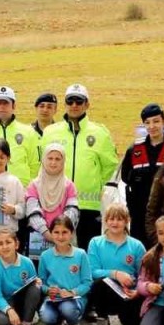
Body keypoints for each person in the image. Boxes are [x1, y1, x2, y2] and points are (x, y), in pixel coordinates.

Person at [42, 83, 117, 244]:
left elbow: (110, 165)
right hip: (57, 202)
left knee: (87, 251)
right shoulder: (50, 132)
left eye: (79, 101)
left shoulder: (100, 132)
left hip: (88, 204)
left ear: (87, 104)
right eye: (70, 101)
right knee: (59, 250)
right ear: (65, 104)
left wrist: (94, 182)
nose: (74, 105)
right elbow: (43, 163)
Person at [87, 203, 145, 325]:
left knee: (132, 322)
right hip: (106, 292)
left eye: (119, 219)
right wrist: (116, 274)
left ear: (127, 221)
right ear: (105, 221)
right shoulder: (95, 243)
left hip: (128, 293)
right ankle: (102, 320)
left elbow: (144, 274)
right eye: (111, 219)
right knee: (98, 284)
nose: (115, 222)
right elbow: (92, 271)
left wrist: (137, 291)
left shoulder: (137, 246)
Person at [121, 103, 164, 246]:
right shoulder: (134, 149)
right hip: (139, 216)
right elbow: (126, 178)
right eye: (147, 123)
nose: (152, 126)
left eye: (156, 121)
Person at [37, 216, 91, 325]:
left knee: (67, 308)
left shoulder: (80, 254)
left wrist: (72, 292)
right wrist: (48, 290)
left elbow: (87, 283)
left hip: (74, 300)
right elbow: (41, 282)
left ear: (71, 233)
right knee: (46, 315)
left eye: (65, 232)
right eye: (56, 232)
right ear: (51, 233)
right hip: (53, 299)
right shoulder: (45, 256)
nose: (60, 237)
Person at [0, 86, 41, 187]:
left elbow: (35, 165)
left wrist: (29, 190)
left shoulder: (29, 132)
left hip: (20, 192)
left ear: (13, 106)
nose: (2, 106)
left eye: (6, 103)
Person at [26, 143, 80, 255]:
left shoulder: (69, 185)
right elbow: (33, 212)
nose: (53, 162)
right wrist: (46, 233)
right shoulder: (34, 185)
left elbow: (72, 211)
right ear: (44, 160)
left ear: (63, 161)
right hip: (39, 237)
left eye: (57, 159)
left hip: (64, 238)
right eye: (50, 158)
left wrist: (60, 233)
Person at [0, 229, 41, 325]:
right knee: (2, 321)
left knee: (36, 287)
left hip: (23, 302)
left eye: (8, 242)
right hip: (8, 303)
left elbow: (34, 286)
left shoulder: (27, 262)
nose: (4, 247)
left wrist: (39, 283)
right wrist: (9, 310)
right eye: (0, 244)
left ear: (16, 244)